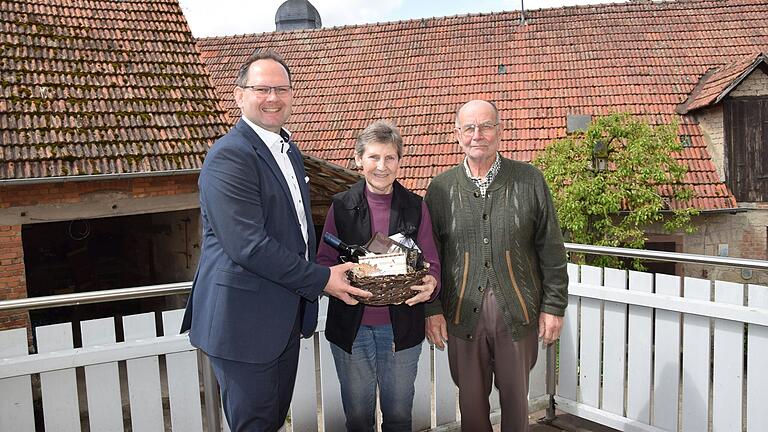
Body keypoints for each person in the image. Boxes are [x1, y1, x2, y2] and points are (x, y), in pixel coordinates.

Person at [180, 50, 371, 432]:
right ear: (239, 95)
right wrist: (322, 279)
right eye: (262, 88)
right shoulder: (229, 157)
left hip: (280, 317)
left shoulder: (288, 151)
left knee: (271, 421)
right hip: (243, 323)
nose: (273, 98)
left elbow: (295, 230)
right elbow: (248, 245)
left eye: (281, 89)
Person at [423, 100, 568, 432]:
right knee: (471, 406)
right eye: (470, 128)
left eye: (487, 126)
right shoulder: (440, 189)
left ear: (500, 131)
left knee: (517, 404)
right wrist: (431, 310)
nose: (478, 135)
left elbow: (551, 248)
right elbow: (430, 258)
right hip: (461, 314)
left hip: (518, 312)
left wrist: (554, 306)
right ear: (457, 134)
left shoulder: (529, 180)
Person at [316, 120, 441, 432]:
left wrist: (432, 284)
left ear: (399, 161)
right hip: (351, 330)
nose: (381, 166)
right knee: (358, 419)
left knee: (399, 417)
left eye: (389, 158)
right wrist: (337, 280)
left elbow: (433, 263)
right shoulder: (341, 206)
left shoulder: (416, 207)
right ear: (359, 160)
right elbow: (324, 262)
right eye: (373, 157)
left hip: (401, 330)